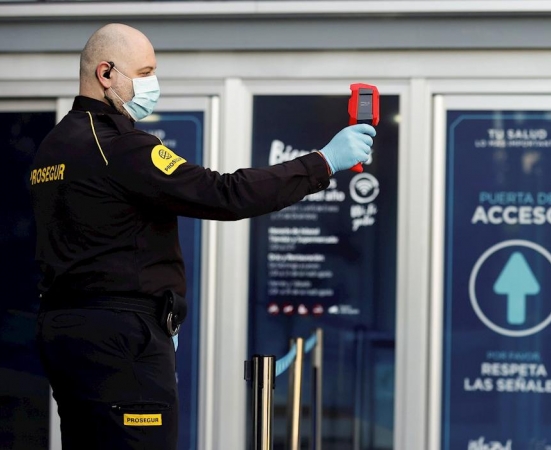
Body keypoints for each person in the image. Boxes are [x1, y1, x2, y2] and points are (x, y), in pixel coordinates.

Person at [31, 23, 375, 450]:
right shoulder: (120, 147)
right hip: (123, 338)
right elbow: (224, 194)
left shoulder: (53, 147)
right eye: (145, 71)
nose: (153, 83)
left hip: (65, 332)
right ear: (106, 74)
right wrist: (323, 163)